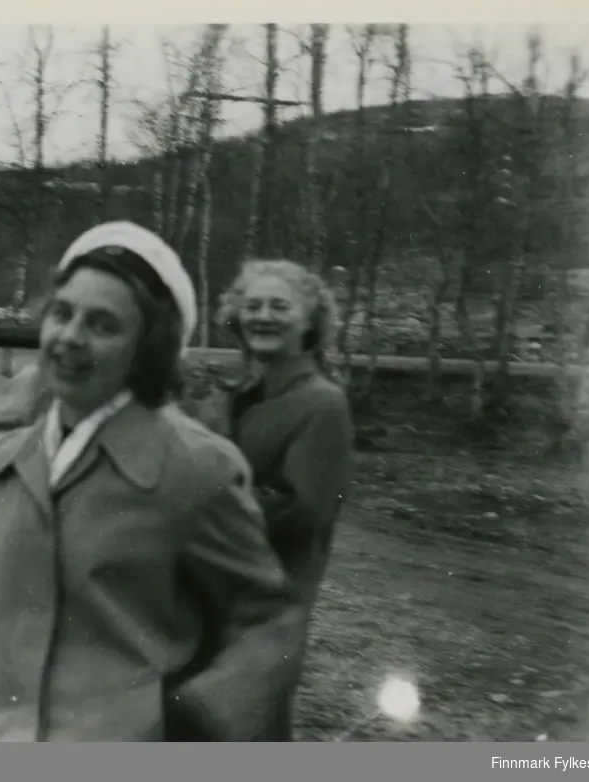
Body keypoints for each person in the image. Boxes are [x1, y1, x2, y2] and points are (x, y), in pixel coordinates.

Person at [0, 221, 305, 742]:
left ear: (146, 349)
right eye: (62, 314)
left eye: (103, 325)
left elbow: (270, 621)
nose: (69, 338)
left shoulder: (194, 466)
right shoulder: (8, 461)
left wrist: (195, 718)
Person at [214, 258, 356, 741]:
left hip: (272, 605)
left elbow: (302, 511)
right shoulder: (238, 394)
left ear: (310, 321)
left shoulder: (323, 404)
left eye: (280, 306)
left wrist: (198, 501)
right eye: (252, 305)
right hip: (213, 596)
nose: (263, 316)